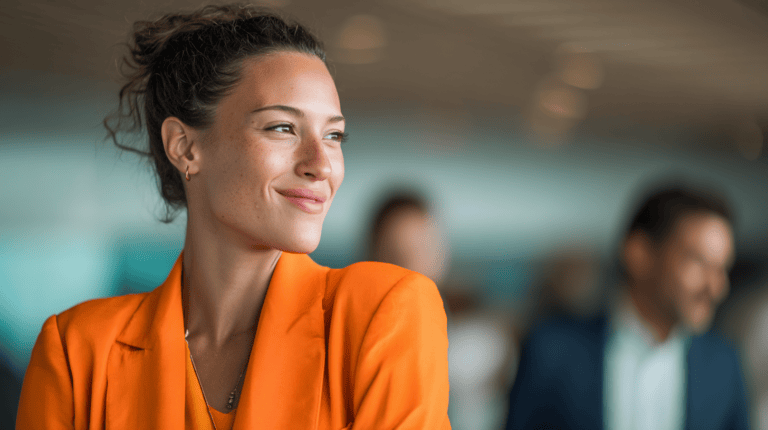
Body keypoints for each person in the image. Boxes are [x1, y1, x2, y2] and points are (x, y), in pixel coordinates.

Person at [16, 5, 450, 429]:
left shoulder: (383, 315)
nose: (322, 164)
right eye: (282, 127)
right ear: (185, 147)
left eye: (333, 135)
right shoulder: (79, 351)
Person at [505, 183, 750, 430]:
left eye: (721, 269)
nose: (717, 289)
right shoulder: (552, 352)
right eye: (698, 262)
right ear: (639, 254)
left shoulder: (724, 364)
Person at [367, 191, 513, 430]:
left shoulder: (462, 337)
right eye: (399, 253)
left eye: (423, 249)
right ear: (376, 253)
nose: (414, 266)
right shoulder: (365, 338)